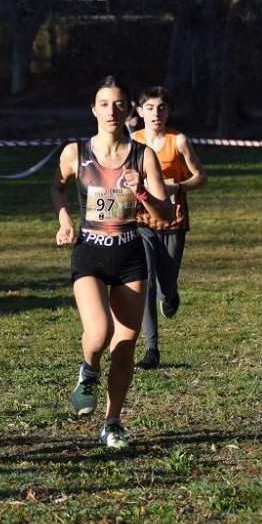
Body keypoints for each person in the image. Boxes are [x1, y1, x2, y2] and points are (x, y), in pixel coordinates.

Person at [50, 75, 172, 448]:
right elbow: (56, 185)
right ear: (93, 109)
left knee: (126, 343)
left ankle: (113, 421)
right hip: (90, 251)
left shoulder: (143, 156)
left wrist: (141, 193)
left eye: (119, 104)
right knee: (100, 332)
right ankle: (88, 369)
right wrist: (65, 219)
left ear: (128, 110)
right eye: (104, 103)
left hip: (130, 253)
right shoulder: (75, 152)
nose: (112, 111)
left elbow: (165, 215)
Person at [131, 86, 207, 370]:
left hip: (173, 220)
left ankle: (171, 295)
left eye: (161, 108)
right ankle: (151, 350)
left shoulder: (179, 141)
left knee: (166, 283)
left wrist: (177, 186)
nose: (155, 114)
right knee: (146, 280)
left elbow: (201, 177)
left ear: (168, 111)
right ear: (139, 112)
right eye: (149, 108)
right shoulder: (133, 141)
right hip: (142, 220)